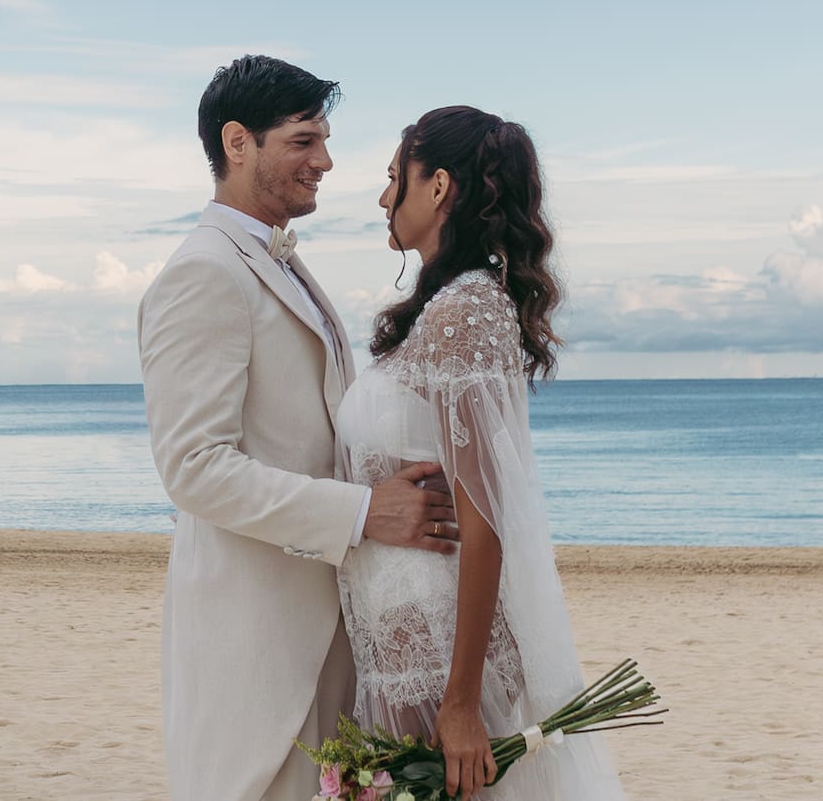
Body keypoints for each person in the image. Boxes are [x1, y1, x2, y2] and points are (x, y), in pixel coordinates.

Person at [140, 56, 460, 801]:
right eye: (304, 140)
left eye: (324, 140)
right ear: (237, 142)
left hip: (332, 631)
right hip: (257, 644)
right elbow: (194, 467)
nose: (326, 161)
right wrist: (362, 511)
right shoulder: (205, 272)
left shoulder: (283, 265)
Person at [337, 106, 626, 798]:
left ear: (437, 186)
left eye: (392, 178)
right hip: (400, 642)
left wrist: (461, 702)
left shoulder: (467, 309)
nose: (382, 199)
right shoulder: (441, 310)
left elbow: (487, 516)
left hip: (438, 652)